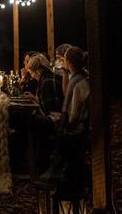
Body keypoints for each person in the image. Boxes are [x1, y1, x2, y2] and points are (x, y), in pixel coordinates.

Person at [34, 46, 90, 187]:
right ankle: (45, 167)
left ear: (69, 61)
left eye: (63, 59)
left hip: (77, 129)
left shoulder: (78, 84)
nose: (61, 62)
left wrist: (60, 117)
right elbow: (67, 96)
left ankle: (48, 169)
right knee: (40, 123)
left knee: (37, 124)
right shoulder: (77, 78)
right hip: (75, 122)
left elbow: (73, 118)